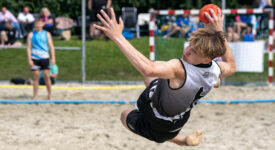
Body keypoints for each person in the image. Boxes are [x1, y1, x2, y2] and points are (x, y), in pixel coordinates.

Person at [94, 8, 236, 146]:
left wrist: (117, 36)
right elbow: (231, 66)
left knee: (125, 116)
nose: (186, 52)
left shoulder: (179, 68)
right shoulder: (215, 68)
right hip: (179, 119)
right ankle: (213, 85)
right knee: (151, 81)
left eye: (194, 52)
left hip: (159, 122)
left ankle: (181, 141)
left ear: (206, 59)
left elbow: (147, 69)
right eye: (189, 46)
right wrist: (218, 31)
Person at [26, 19, 56, 100]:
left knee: (47, 77)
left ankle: (50, 95)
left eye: (40, 24)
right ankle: (35, 96)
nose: (38, 25)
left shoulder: (47, 34)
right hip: (35, 58)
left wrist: (53, 57)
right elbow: (29, 48)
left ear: (43, 24)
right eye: (37, 24)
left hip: (45, 57)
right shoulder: (31, 34)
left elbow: (51, 46)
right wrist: (29, 59)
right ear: (35, 24)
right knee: (36, 77)